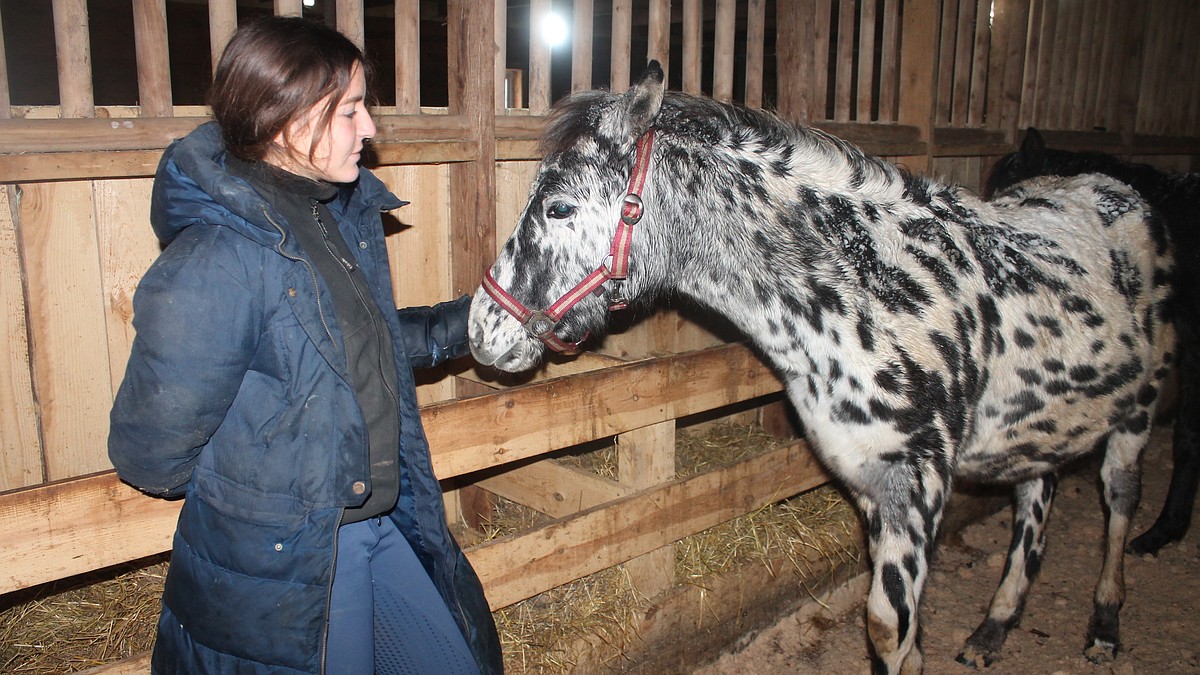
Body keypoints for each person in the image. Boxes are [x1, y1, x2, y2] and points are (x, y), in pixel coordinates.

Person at [108, 16, 502, 675]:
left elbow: (352, 349)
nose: (370, 128)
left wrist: (472, 323)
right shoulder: (219, 257)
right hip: (303, 556)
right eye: (350, 111)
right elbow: (151, 453)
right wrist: (272, 493)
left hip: (374, 524)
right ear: (286, 118)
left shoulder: (325, 217)